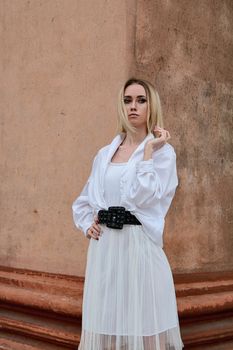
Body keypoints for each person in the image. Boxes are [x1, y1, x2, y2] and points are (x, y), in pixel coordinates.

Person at [72, 78, 184, 350]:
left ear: (151, 106)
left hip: (140, 248)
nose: (133, 106)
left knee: (145, 328)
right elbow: (85, 200)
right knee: (107, 328)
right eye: (127, 100)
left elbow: (143, 196)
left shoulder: (162, 153)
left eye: (141, 100)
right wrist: (87, 224)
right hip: (106, 251)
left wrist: (148, 151)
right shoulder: (103, 155)